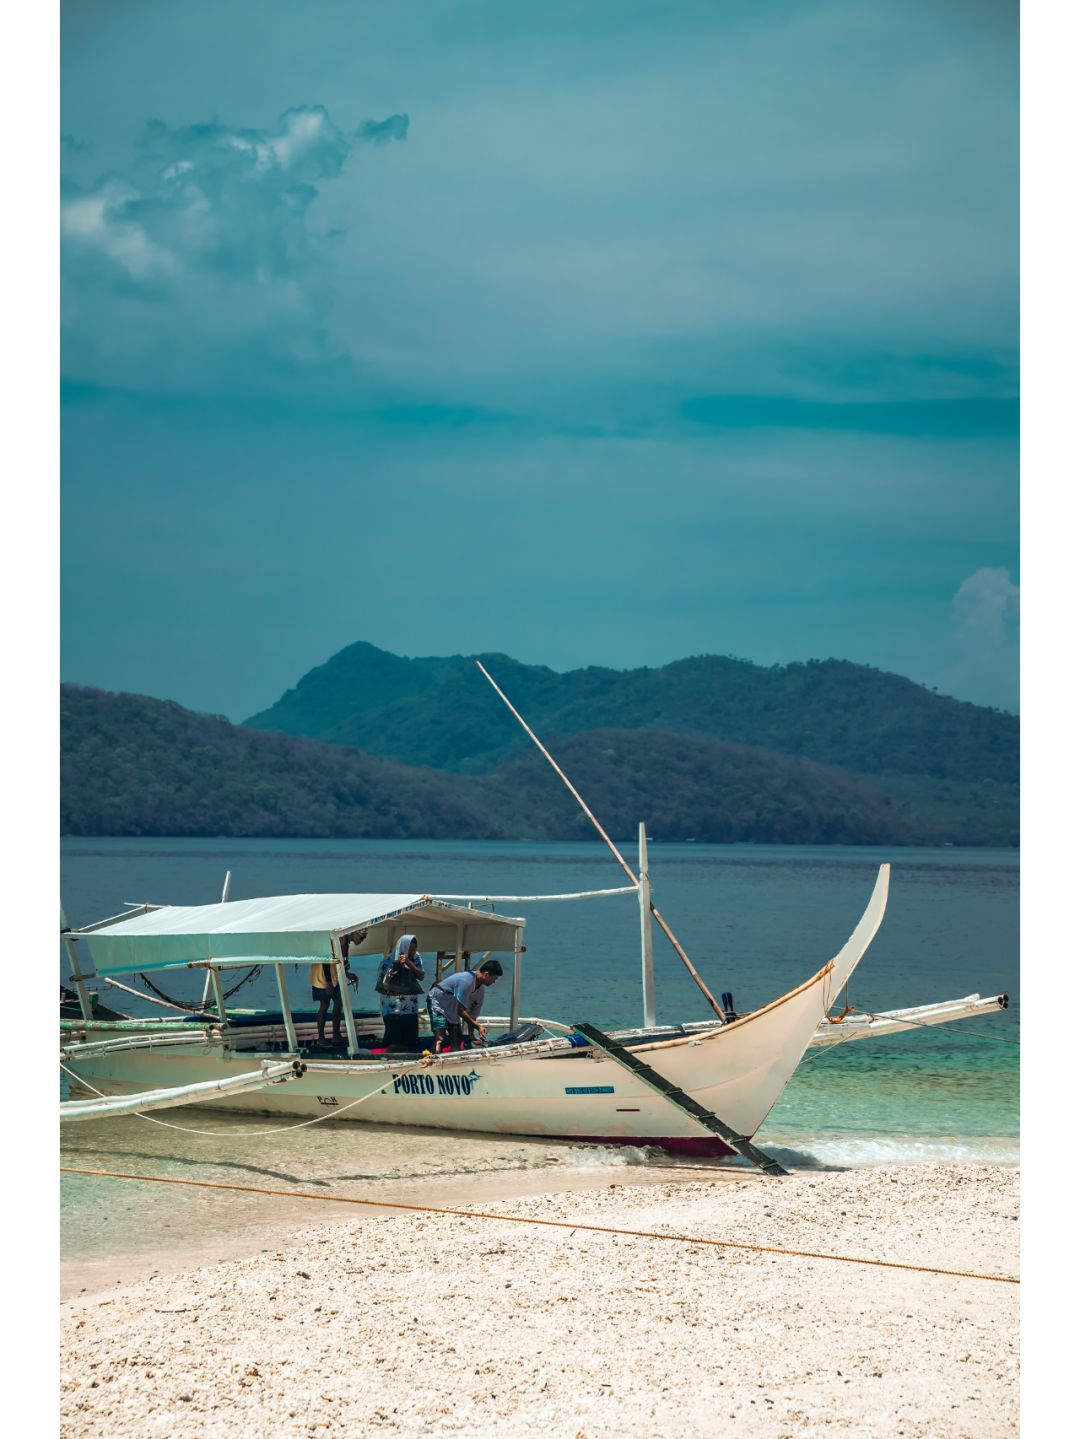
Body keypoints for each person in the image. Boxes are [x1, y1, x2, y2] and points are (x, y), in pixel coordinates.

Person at [426, 959, 503, 1052]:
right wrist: (478, 1026)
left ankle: (454, 1062)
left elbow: (473, 1013)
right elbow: (461, 1010)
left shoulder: (480, 990)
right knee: (440, 1039)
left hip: (452, 1006)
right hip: (438, 1001)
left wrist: (471, 1036)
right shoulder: (466, 982)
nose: (494, 982)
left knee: (457, 1038)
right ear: (486, 974)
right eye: (493, 979)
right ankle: (435, 1058)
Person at [309, 929, 365, 1046]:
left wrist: (347, 974)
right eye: (362, 937)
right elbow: (326, 958)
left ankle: (336, 1035)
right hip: (323, 975)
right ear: (355, 933)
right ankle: (321, 1038)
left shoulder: (345, 941)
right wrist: (328, 982)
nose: (362, 940)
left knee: (339, 1002)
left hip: (334, 976)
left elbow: (340, 961)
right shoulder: (340, 939)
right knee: (324, 1004)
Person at [377, 934, 426, 1048]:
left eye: (414, 949)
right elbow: (380, 985)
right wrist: (390, 990)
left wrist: (409, 962)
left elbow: (421, 976)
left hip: (411, 1008)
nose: (413, 952)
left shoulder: (416, 958)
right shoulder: (388, 961)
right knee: (394, 1040)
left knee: (410, 1040)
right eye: (410, 949)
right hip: (392, 1008)